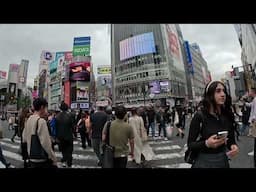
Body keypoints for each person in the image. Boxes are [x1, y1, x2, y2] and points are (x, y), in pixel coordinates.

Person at [187, 81, 239, 168]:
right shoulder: (200, 116)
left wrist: (233, 146)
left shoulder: (226, 115)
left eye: (224, 91)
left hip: (223, 161)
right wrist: (207, 143)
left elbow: (231, 138)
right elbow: (190, 144)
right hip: (204, 162)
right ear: (210, 95)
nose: (223, 94)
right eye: (218, 91)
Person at [22, 98, 57, 168]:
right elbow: (45, 143)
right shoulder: (41, 121)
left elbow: (24, 138)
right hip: (41, 159)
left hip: (31, 156)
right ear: (42, 107)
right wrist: (53, 158)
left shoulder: (29, 119)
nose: (47, 111)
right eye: (46, 108)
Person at [56, 101, 74, 167]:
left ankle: (64, 159)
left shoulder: (57, 116)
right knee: (69, 150)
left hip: (60, 136)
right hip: (68, 136)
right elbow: (73, 126)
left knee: (63, 150)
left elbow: (55, 127)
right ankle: (69, 162)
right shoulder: (69, 116)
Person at [244, 88, 256, 167]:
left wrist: (254, 119)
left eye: (250, 91)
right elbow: (250, 105)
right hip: (254, 120)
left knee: (255, 136)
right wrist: (245, 102)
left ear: (253, 92)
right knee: (254, 136)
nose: (249, 93)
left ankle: (254, 151)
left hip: (255, 120)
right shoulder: (254, 99)